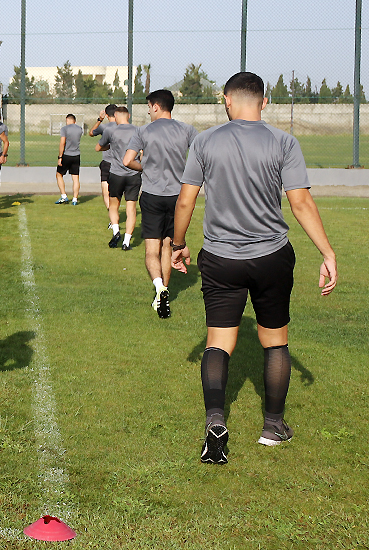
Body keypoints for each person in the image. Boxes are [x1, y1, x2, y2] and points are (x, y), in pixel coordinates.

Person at [171, 72, 337, 465]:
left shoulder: (204, 141)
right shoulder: (284, 142)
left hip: (220, 259)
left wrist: (177, 245)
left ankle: (215, 421)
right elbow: (301, 203)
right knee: (275, 341)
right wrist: (327, 253)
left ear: (226, 100)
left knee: (218, 342)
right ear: (264, 101)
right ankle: (273, 426)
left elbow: (185, 201)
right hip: (272, 257)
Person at [123, 90, 198, 318]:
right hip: (177, 197)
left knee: (151, 250)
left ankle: (159, 288)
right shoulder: (187, 130)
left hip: (152, 196)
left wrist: (144, 167)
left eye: (148, 107)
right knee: (168, 246)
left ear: (156, 106)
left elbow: (127, 160)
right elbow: (201, 157)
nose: (148, 111)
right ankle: (163, 291)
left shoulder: (143, 131)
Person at [97, 106, 140, 250]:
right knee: (131, 208)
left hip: (116, 173)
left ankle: (116, 231)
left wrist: (110, 147)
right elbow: (143, 151)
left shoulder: (110, 130)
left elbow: (98, 147)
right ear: (129, 116)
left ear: (115, 116)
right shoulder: (138, 130)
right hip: (134, 174)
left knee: (113, 205)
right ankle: (126, 242)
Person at [89, 104, 117, 210]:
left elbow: (91, 133)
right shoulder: (124, 127)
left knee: (105, 186)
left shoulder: (104, 127)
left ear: (107, 115)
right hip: (120, 161)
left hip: (107, 161)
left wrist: (100, 119)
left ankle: (111, 211)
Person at [55, 114, 83, 205]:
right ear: (75, 121)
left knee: (59, 175)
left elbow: (62, 143)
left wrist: (60, 156)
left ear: (67, 120)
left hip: (67, 155)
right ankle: (75, 199)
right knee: (75, 178)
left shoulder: (64, 129)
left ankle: (64, 196)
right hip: (76, 155)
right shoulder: (80, 129)